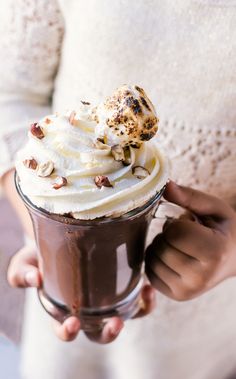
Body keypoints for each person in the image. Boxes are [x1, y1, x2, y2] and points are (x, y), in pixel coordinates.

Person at [1, 1, 236, 378]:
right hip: (59, 290)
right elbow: (9, 91)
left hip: (202, 321)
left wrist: (232, 253)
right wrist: (46, 238)